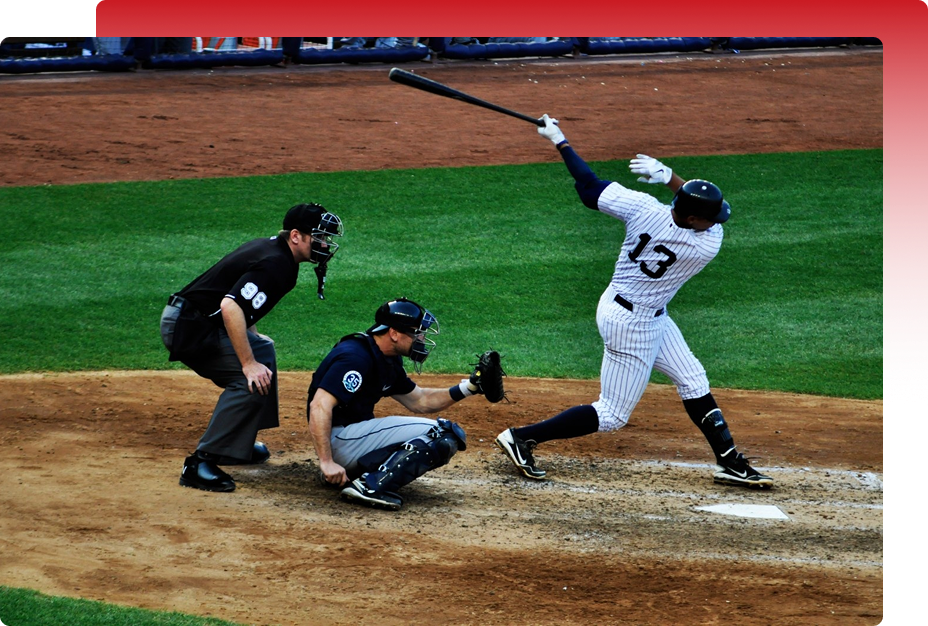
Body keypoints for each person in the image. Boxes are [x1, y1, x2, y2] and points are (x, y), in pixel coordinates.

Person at [495, 115, 773, 489]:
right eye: (709, 217)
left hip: (633, 309)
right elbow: (700, 211)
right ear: (693, 219)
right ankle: (521, 437)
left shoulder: (642, 208)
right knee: (611, 414)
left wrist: (559, 139)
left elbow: (589, 187)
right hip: (632, 326)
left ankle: (730, 462)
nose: (716, 221)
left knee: (692, 379)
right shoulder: (705, 244)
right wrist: (670, 176)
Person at [161, 203, 344, 493]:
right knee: (248, 378)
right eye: (319, 237)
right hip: (189, 328)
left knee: (263, 352)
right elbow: (230, 306)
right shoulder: (276, 263)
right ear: (296, 236)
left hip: (198, 321)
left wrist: (254, 339)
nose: (325, 245)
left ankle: (237, 444)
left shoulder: (277, 253)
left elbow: (242, 303)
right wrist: (247, 364)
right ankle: (200, 462)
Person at [307, 298, 493, 511]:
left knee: (436, 435)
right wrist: (326, 462)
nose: (421, 339)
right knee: (440, 434)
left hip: (350, 441)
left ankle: (356, 474)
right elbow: (319, 406)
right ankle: (369, 487)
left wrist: (469, 388)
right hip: (339, 440)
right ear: (394, 333)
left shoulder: (386, 358)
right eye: (416, 333)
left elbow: (420, 400)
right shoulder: (355, 357)